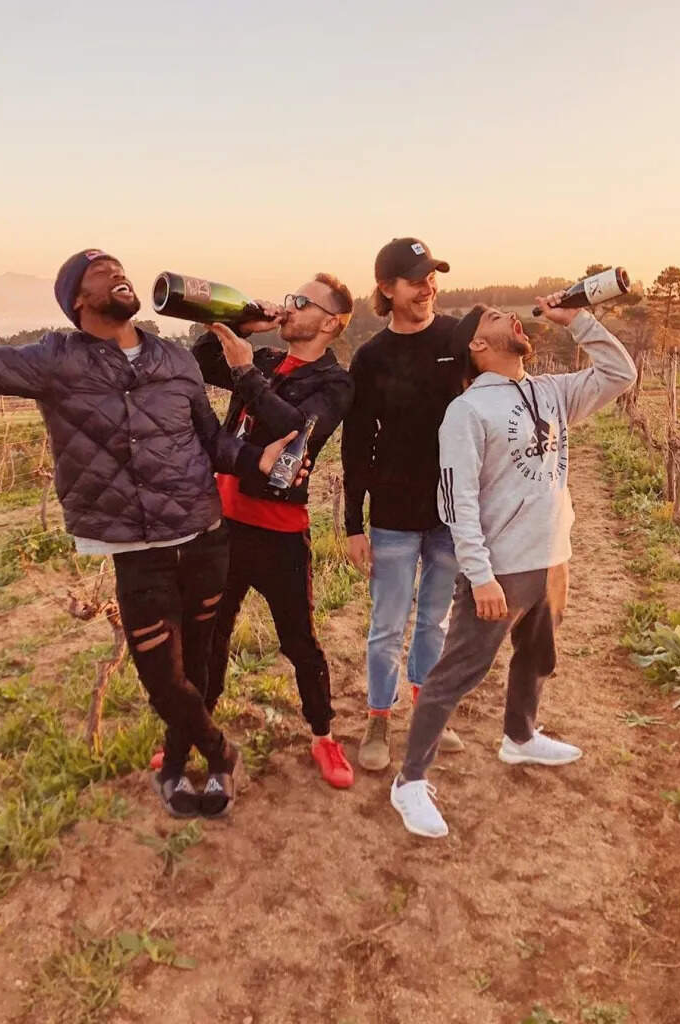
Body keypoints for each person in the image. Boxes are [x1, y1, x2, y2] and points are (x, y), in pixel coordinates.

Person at [0, 249, 298, 820]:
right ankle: (220, 752)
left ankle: (177, 764)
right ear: (77, 300)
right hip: (138, 550)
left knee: (200, 664)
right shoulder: (56, 360)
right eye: (100, 271)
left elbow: (210, 441)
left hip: (204, 536)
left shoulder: (174, 360)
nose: (117, 273)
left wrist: (256, 461)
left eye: (119, 266)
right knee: (163, 679)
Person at [390, 293, 637, 838]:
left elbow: (621, 373)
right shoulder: (467, 412)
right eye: (496, 317)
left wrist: (580, 320)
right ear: (479, 344)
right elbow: (457, 501)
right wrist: (480, 575)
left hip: (552, 558)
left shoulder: (550, 392)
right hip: (500, 570)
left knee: (538, 654)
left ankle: (520, 737)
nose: (513, 318)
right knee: (456, 675)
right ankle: (409, 781)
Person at [193, 273, 357, 788]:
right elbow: (202, 361)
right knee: (211, 633)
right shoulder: (264, 359)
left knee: (299, 641)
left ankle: (323, 735)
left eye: (302, 302)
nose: (290, 306)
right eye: (291, 298)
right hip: (224, 523)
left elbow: (297, 430)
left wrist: (246, 373)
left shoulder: (335, 383)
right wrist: (241, 325)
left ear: (330, 323)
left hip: (280, 533)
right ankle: (199, 730)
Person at [341, 237, 465, 772]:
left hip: (451, 513)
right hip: (392, 515)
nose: (427, 287)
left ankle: (428, 711)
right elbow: (355, 444)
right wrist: (353, 524)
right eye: (416, 280)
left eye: (431, 277)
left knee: (435, 622)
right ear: (386, 289)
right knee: (388, 626)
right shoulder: (371, 358)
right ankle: (378, 718)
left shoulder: (457, 339)